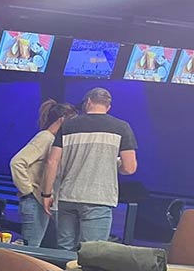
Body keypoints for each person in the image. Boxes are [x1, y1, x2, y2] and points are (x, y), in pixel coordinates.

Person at [40, 86, 138, 253]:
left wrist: (47, 194)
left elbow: (52, 162)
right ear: (108, 107)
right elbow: (129, 168)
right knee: (92, 252)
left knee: (64, 250)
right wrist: (114, 164)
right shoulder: (122, 127)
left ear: (88, 103)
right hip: (99, 198)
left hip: (68, 197)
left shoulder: (68, 126)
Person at [10, 100, 75, 248]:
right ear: (62, 119)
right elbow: (17, 162)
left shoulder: (53, 139)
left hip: (39, 202)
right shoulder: (45, 138)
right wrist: (28, 191)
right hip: (34, 202)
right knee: (30, 249)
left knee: (34, 247)